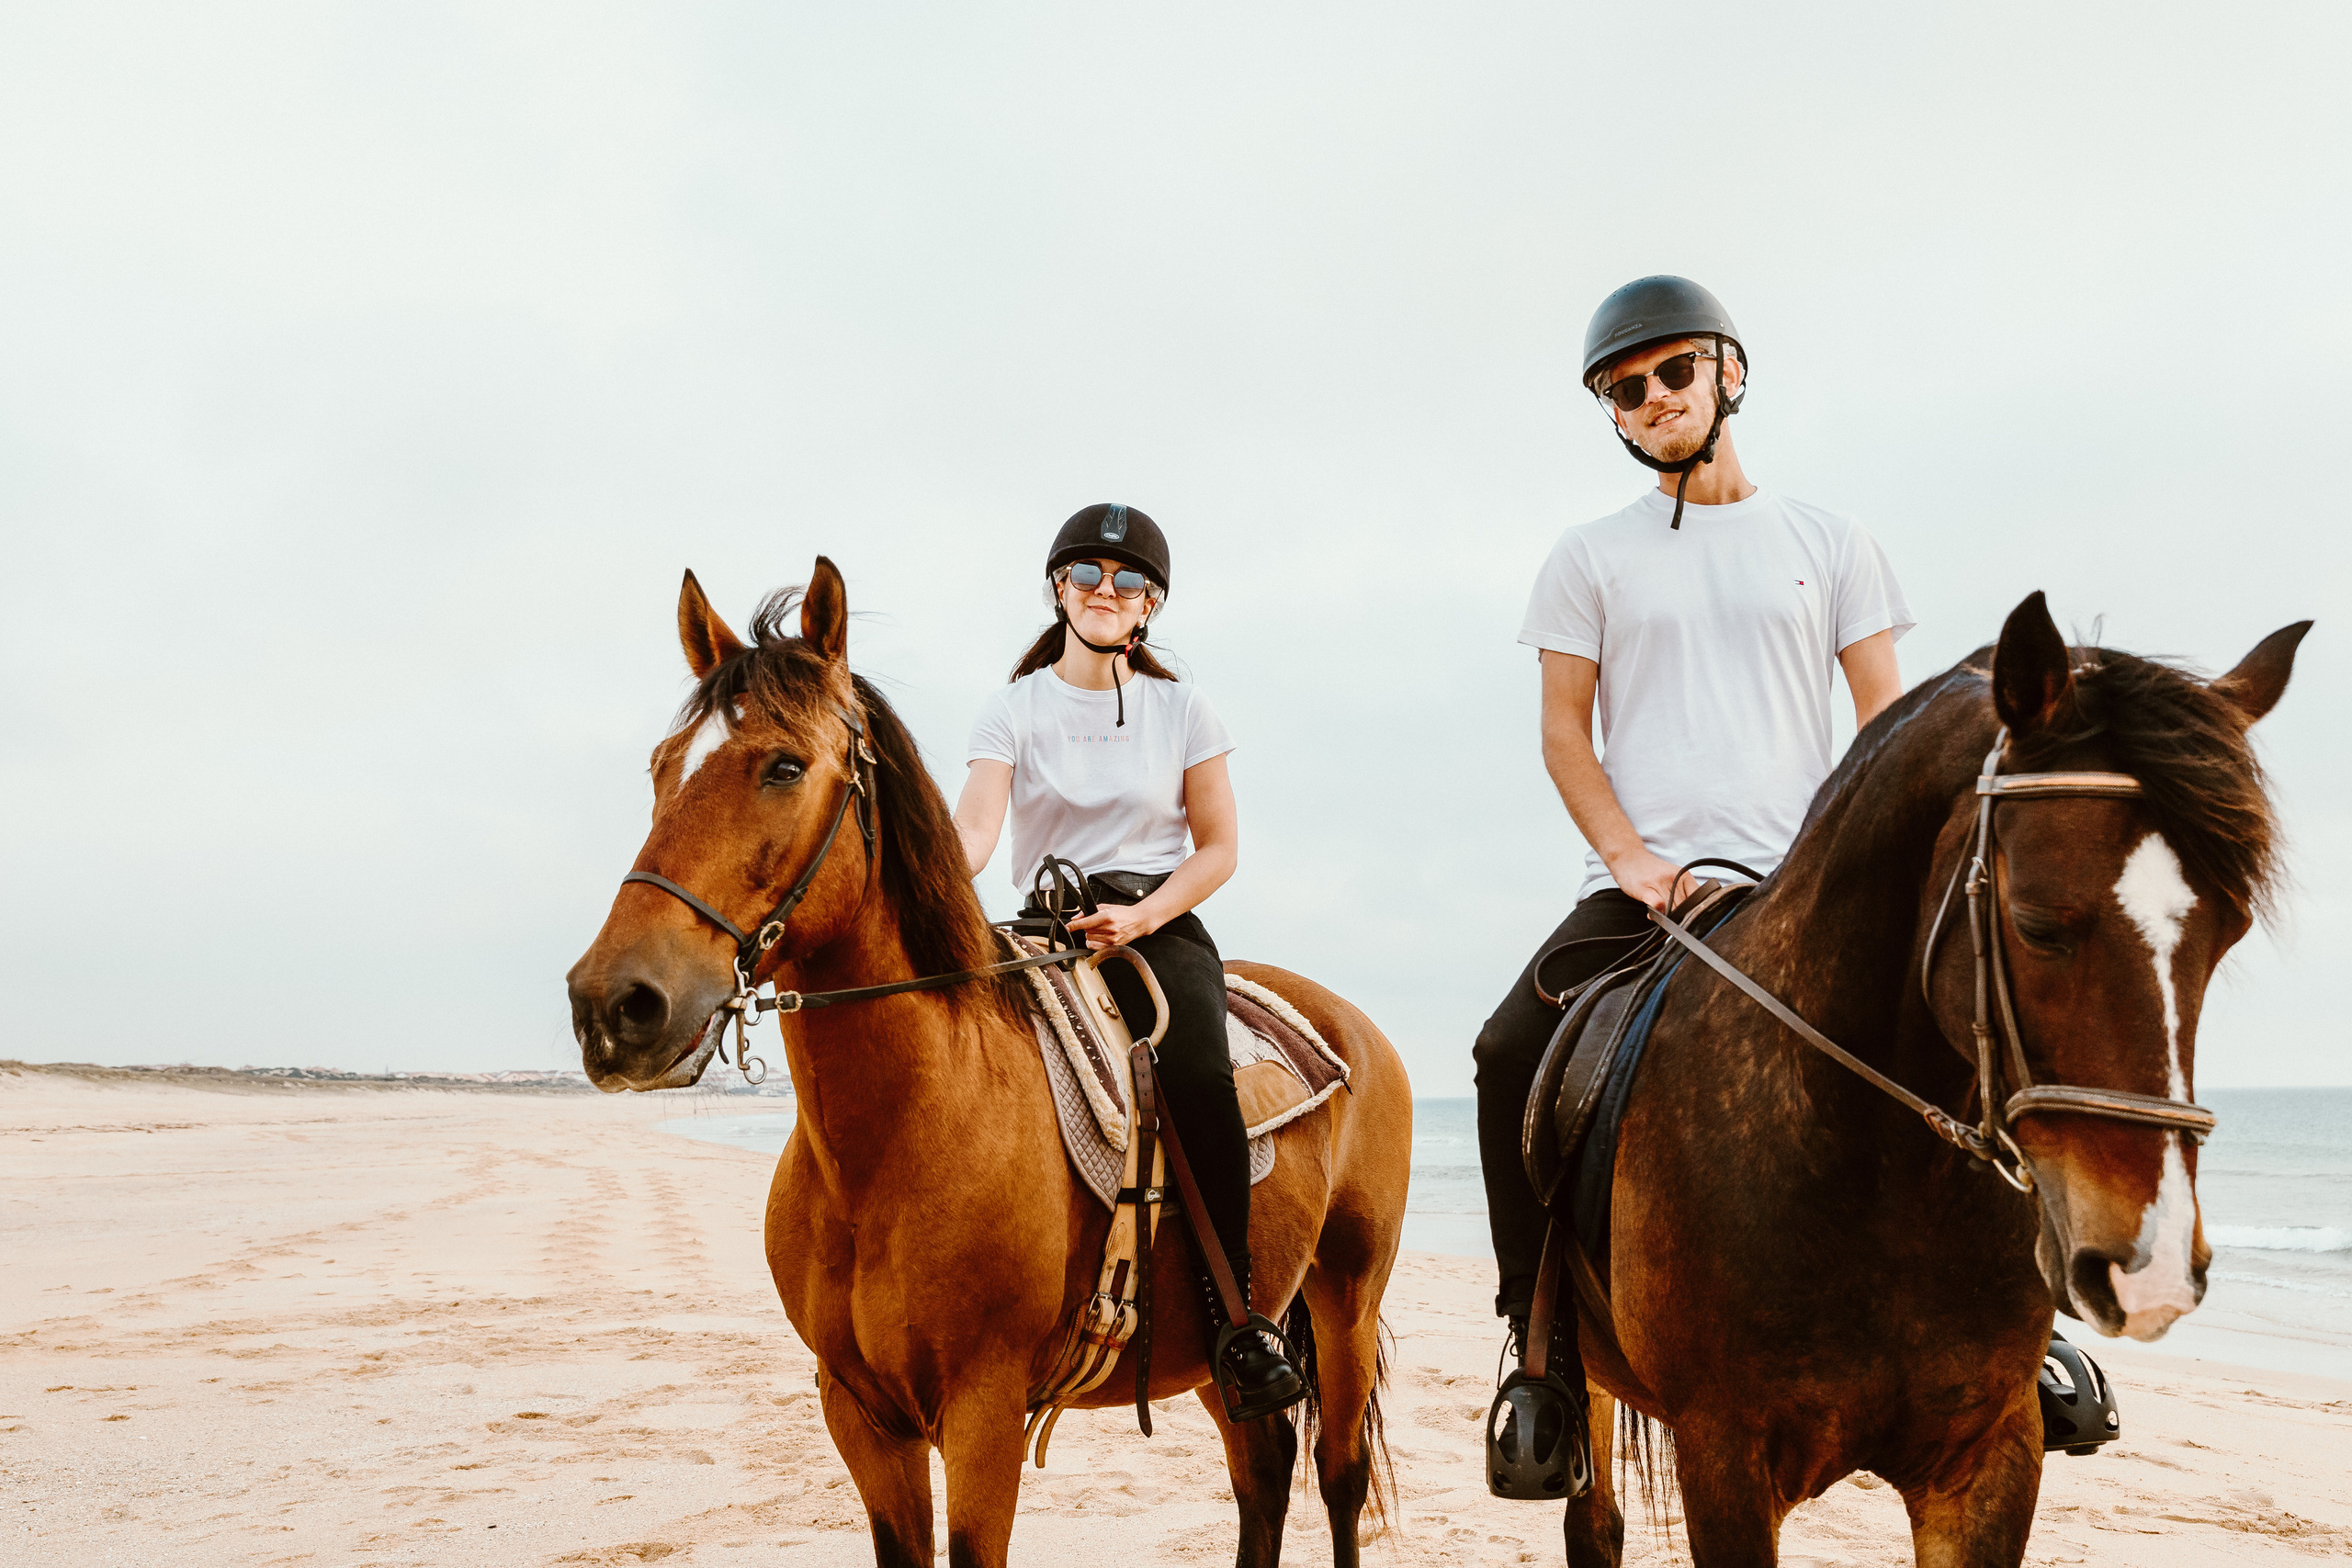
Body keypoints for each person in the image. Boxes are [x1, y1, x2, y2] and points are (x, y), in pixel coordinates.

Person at [1474, 276, 1912, 1394]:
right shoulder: (1587, 556)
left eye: (1674, 370)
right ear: (1613, 416)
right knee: (1503, 1054)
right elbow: (1564, 737)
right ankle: (1540, 1356)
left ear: (1728, 371)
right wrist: (1632, 862)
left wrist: (1838, 868)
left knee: (1966, 1028)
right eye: (1626, 389)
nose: (1654, 396)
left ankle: (2026, 1330)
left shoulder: (1832, 537)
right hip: (1645, 891)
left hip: (1803, 885)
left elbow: (1883, 727)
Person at [954, 502, 1306, 1423]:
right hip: (1042, 923)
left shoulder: (1185, 707)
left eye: (1127, 582)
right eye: (1087, 577)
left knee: (1195, 1068)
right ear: (1059, 591)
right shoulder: (1012, 707)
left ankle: (1241, 1320)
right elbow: (978, 834)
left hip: (1155, 917)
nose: (1106, 592)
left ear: (1149, 605)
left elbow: (1219, 848)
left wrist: (1144, 915)